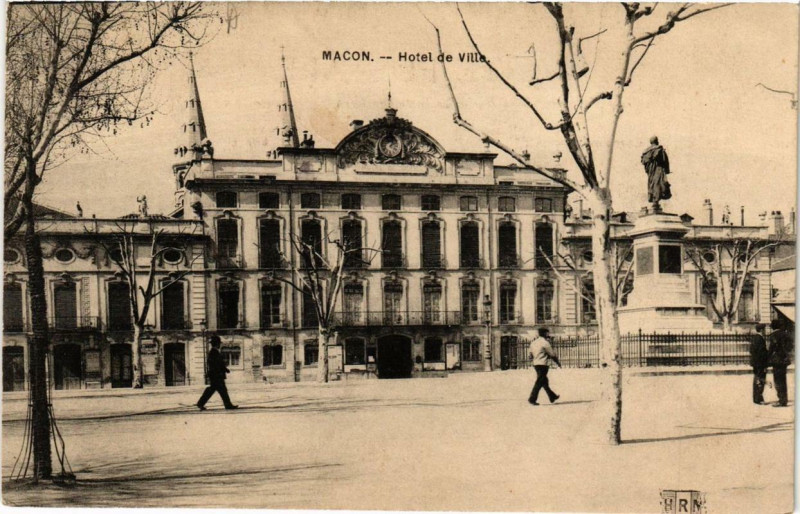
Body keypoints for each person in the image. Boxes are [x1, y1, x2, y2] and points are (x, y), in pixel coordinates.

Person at [197, 334, 238, 410]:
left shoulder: (214, 352)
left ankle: (200, 403)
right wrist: (223, 370)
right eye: (219, 343)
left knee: (214, 390)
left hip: (215, 375)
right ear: (217, 343)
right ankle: (228, 405)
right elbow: (216, 364)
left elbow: (218, 364)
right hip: (216, 375)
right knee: (220, 390)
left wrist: (225, 369)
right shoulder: (213, 352)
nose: (220, 344)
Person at [528, 328, 561, 405]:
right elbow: (552, 354)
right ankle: (532, 399)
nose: (548, 335)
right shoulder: (545, 343)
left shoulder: (533, 343)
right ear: (545, 333)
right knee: (539, 381)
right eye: (547, 333)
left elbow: (530, 355)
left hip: (536, 364)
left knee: (544, 381)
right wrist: (557, 362)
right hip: (543, 364)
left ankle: (552, 396)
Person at [640, 136, 672, 208]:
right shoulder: (659, 149)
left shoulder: (646, 152)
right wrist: (666, 170)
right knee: (658, 184)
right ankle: (656, 201)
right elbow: (665, 161)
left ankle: (655, 200)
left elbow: (644, 162)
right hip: (658, 169)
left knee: (652, 184)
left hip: (651, 171)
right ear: (657, 141)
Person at [769, 319, 794, 407]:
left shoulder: (773, 335)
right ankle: (784, 399)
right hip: (784, 360)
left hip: (776, 361)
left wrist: (768, 359)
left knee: (778, 381)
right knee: (783, 380)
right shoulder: (786, 334)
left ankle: (781, 400)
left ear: (773, 326)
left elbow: (771, 349)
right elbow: (791, 346)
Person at [749, 324, 769, 405]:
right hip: (760, 364)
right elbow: (762, 353)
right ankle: (759, 399)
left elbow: (751, 350)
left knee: (756, 379)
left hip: (755, 363)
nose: (765, 331)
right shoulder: (760, 339)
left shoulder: (754, 338)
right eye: (764, 329)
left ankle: (756, 398)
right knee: (760, 380)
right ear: (761, 330)